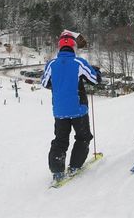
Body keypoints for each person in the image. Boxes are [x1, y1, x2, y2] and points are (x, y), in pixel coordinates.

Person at [41, 30, 101, 182]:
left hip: (60, 110)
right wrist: (96, 71)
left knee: (60, 140)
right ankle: (74, 166)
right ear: (74, 48)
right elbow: (94, 79)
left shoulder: (52, 64)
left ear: (59, 48)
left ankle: (57, 171)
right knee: (83, 137)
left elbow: (44, 83)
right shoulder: (79, 63)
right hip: (78, 110)